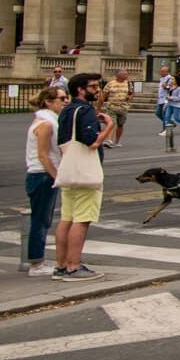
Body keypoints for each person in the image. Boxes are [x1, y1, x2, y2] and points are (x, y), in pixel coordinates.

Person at [54, 73, 114, 281]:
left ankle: (61, 265)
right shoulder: (85, 110)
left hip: (69, 170)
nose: (97, 90)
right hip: (85, 173)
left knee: (66, 218)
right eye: (93, 87)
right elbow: (92, 142)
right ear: (80, 89)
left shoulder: (66, 110)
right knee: (82, 219)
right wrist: (109, 126)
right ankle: (74, 266)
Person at [21, 86, 68, 277]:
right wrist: (56, 176)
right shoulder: (46, 124)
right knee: (40, 220)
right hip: (42, 175)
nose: (65, 101)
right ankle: (36, 263)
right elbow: (43, 155)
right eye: (62, 98)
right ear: (48, 102)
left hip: (41, 175)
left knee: (41, 219)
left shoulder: (45, 120)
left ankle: (37, 259)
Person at [99, 68, 132, 148]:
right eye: (124, 74)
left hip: (123, 107)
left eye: (126, 74)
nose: (126, 76)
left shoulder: (128, 83)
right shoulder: (110, 84)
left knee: (120, 125)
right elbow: (103, 95)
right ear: (118, 75)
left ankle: (117, 141)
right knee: (111, 123)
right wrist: (99, 106)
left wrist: (130, 97)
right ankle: (109, 141)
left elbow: (131, 93)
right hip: (111, 107)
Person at [159, 68, 180, 135]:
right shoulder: (172, 87)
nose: (171, 80)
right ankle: (167, 130)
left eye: (173, 79)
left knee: (177, 118)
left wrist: (171, 98)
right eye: (171, 79)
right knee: (167, 117)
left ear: (177, 80)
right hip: (170, 104)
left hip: (177, 105)